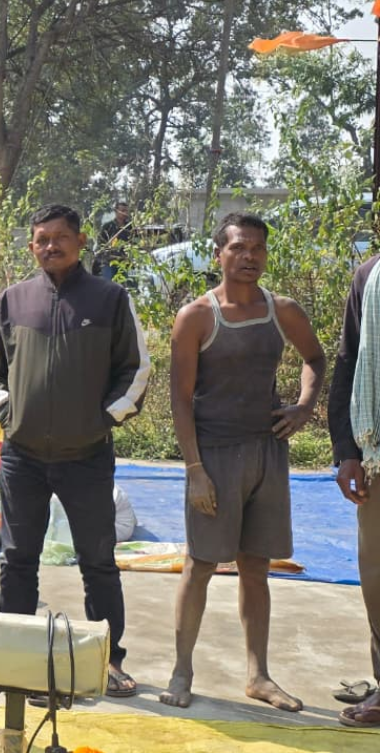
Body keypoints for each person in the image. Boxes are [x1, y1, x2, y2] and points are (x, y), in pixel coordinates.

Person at [0, 203, 150, 699]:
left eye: (60, 238)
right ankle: (18, 657)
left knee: (97, 562)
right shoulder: (13, 300)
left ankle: (107, 660)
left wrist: (105, 417)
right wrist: (7, 411)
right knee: (17, 560)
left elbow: (135, 369)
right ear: (31, 246)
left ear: (80, 242)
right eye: (41, 239)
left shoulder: (111, 300)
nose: (50, 246)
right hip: (22, 455)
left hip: (87, 455)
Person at [159, 211, 326, 711]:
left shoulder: (283, 310)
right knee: (201, 564)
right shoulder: (196, 317)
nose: (249, 256)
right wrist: (194, 470)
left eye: (257, 248)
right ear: (219, 254)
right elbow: (180, 399)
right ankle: (181, 671)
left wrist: (304, 405)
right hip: (214, 455)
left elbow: (315, 359)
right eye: (238, 247)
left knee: (257, 568)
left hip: (267, 454)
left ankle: (258, 676)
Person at [328, 252, 379, 727]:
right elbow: (349, 361)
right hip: (377, 454)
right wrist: (347, 449)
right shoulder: (370, 276)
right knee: (378, 578)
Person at [94, 200, 134, 281]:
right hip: (109, 262)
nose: (125, 213)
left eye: (126, 211)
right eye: (122, 211)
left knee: (131, 285)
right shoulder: (107, 227)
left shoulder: (131, 227)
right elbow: (101, 244)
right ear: (116, 211)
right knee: (108, 286)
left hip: (126, 262)